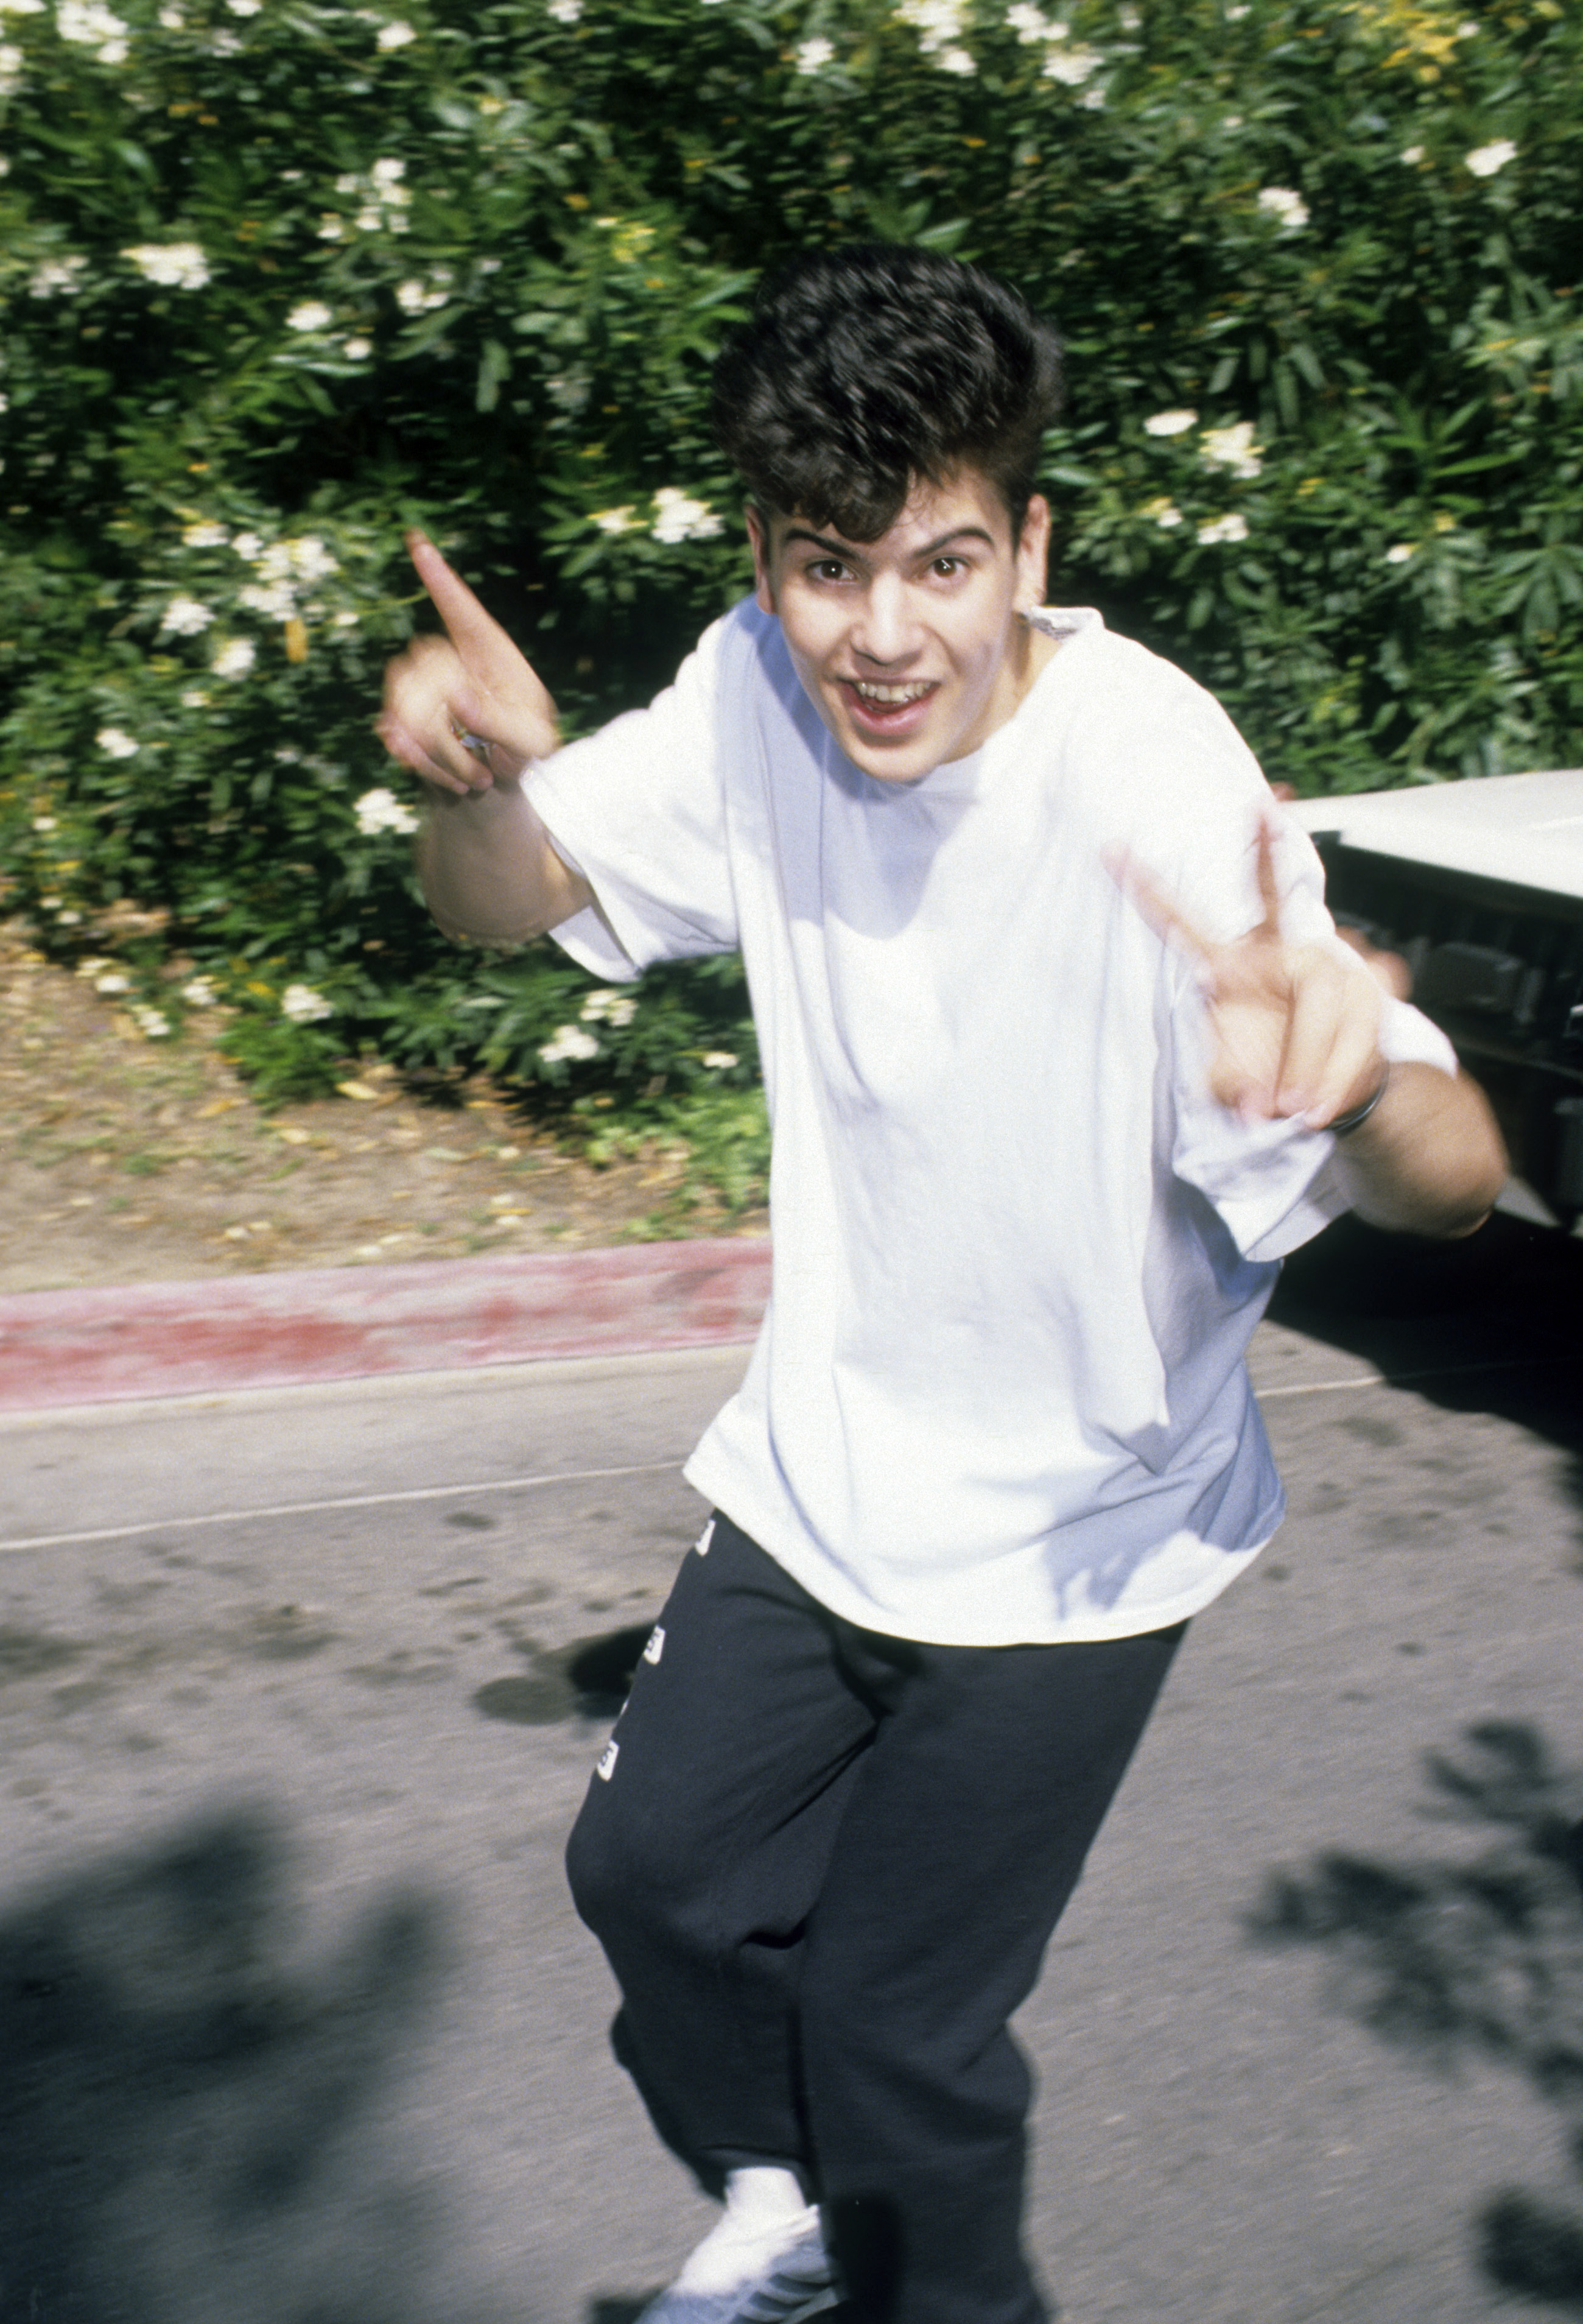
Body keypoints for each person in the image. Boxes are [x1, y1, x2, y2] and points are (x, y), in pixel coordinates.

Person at [378, 244, 1507, 2324]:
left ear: (1030, 546)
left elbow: (1456, 1180)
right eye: (831, 568)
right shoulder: (753, 686)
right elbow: (508, 906)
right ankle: (797, 2225)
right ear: (767, 555)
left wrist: (1356, 1081)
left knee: (907, 2035)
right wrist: (477, 790)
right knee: (652, 1879)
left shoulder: (1154, 775)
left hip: (1084, 1532)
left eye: (944, 565)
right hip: (828, 1476)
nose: (884, 638)